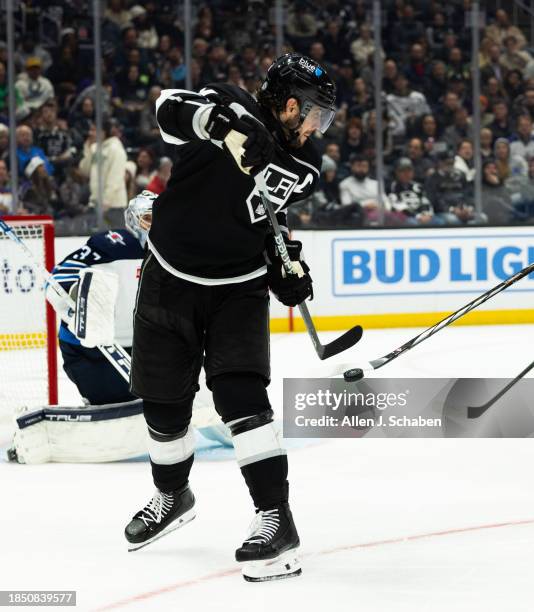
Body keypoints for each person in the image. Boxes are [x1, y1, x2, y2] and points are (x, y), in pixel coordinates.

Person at [124, 53, 335, 582]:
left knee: (243, 399)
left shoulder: (305, 163)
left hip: (237, 290)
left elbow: (268, 213)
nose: (316, 129)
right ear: (289, 104)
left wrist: (284, 266)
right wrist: (218, 126)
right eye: (313, 115)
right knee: (163, 402)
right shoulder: (229, 101)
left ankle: (275, 518)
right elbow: (166, 108)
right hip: (169, 275)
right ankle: (172, 494)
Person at [78, 119, 128, 227]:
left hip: (113, 206)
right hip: (95, 203)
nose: (90, 133)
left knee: (115, 242)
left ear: (104, 132)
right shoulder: (94, 148)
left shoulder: (116, 149)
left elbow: (115, 178)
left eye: (94, 130)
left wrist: (105, 202)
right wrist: (88, 148)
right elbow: (85, 171)